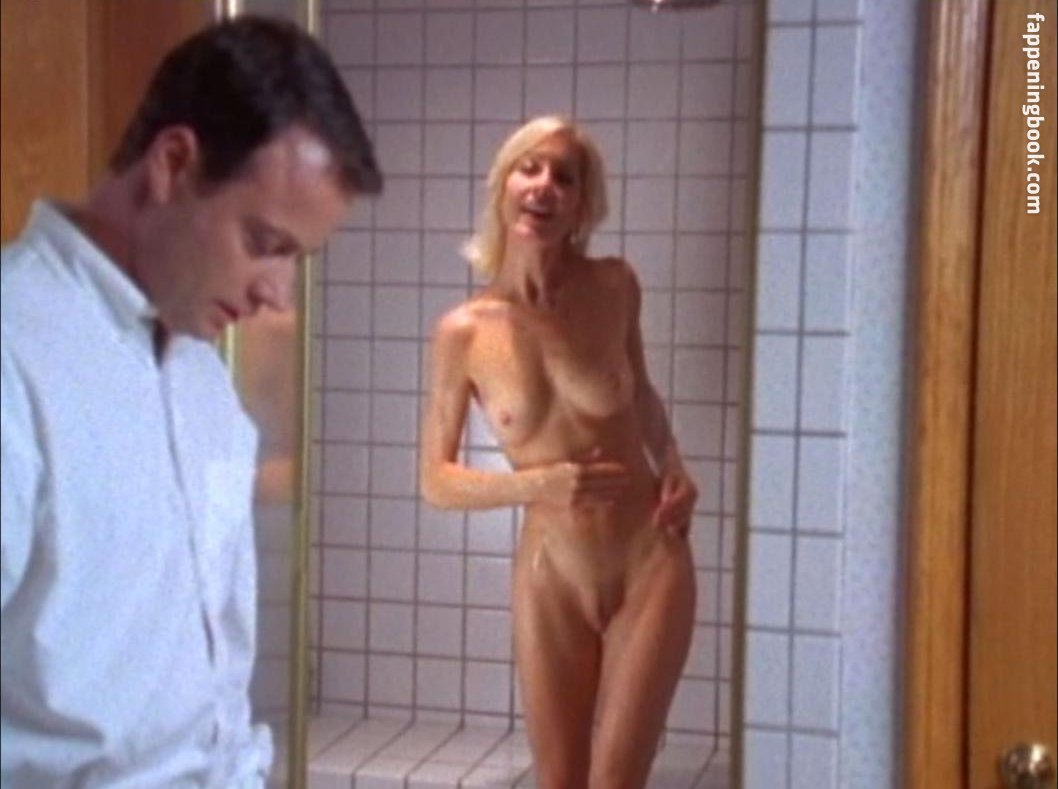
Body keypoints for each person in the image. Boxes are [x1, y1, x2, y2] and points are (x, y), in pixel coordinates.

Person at [0, 16, 381, 787]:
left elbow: (220, 687)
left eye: (297, 259)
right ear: (173, 164)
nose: (278, 295)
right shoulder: (15, 352)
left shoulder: (203, 379)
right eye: (266, 244)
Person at [420, 115, 698, 789]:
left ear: (581, 205)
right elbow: (435, 479)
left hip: (647, 555)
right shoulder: (463, 332)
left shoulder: (615, 286)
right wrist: (536, 484)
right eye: (530, 168)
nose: (544, 185)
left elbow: (640, 393)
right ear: (504, 187)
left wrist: (675, 463)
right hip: (552, 570)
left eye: (564, 177)